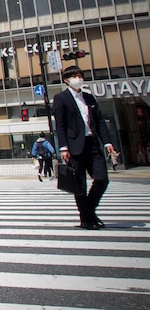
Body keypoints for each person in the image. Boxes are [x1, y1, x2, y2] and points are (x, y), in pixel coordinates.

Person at [53, 65, 117, 230]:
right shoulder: (61, 98)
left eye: (80, 75)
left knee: (102, 179)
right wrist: (63, 148)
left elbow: (100, 121)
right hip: (74, 146)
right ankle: (87, 219)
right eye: (74, 76)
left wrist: (108, 142)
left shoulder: (89, 98)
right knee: (79, 184)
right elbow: (60, 125)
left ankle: (88, 211)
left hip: (93, 143)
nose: (78, 78)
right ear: (66, 80)